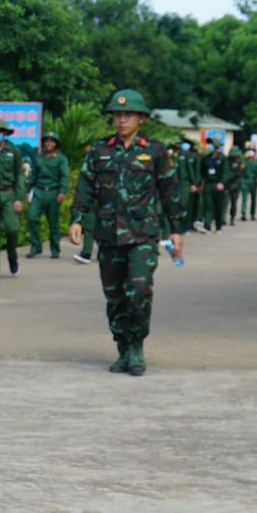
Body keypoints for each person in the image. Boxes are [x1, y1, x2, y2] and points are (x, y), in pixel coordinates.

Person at [69, 89, 183, 376]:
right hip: (108, 235)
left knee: (139, 289)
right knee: (115, 295)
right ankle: (122, 347)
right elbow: (85, 186)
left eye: (128, 115)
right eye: (117, 115)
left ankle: (137, 346)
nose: (122, 120)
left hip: (143, 235)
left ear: (141, 118)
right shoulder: (100, 150)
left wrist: (176, 230)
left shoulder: (155, 151)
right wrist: (77, 219)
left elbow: (170, 190)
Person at [0, 119, 27, 276]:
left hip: (9, 194)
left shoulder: (14, 151)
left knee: (12, 229)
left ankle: (12, 256)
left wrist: (19, 198)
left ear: (4, 134)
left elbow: (19, 175)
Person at [26, 130, 70, 259]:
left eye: (52, 141)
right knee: (32, 218)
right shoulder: (38, 158)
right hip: (39, 191)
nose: (49, 144)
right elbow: (33, 176)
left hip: (53, 192)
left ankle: (55, 249)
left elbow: (64, 176)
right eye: (47, 141)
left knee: (53, 223)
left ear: (56, 144)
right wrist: (28, 190)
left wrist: (62, 191)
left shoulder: (61, 159)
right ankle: (36, 246)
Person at [73, 138, 98, 264]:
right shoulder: (90, 160)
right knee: (89, 226)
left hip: (110, 202)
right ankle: (86, 253)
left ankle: (105, 254)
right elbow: (84, 181)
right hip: (93, 199)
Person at [200, 141, 228, 233]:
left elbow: (225, 172)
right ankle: (207, 226)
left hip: (218, 184)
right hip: (208, 184)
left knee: (218, 206)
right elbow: (202, 171)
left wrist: (222, 183)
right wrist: (202, 183)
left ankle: (218, 226)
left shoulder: (222, 158)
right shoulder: (206, 158)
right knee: (208, 205)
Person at [174, 140, 200, 234]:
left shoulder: (190, 156)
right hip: (176, 183)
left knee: (185, 204)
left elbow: (192, 171)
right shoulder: (176, 156)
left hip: (186, 183)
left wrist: (194, 184)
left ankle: (186, 226)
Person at [240, 144, 257, 221]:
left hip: (254, 181)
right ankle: (243, 213)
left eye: (252, 151)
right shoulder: (243, 161)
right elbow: (240, 171)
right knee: (244, 198)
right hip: (245, 181)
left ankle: (252, 214)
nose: (250, 153)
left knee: (253, 199)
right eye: (248, 151)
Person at [225, 146, 245, 227]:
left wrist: (229, 176)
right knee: (225, 202)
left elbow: (239, 173)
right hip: (227, 184)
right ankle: (223, 218)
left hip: (236, 184)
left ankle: (232, 218)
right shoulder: (227, 161)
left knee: (234, 203)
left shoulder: (240, 162)